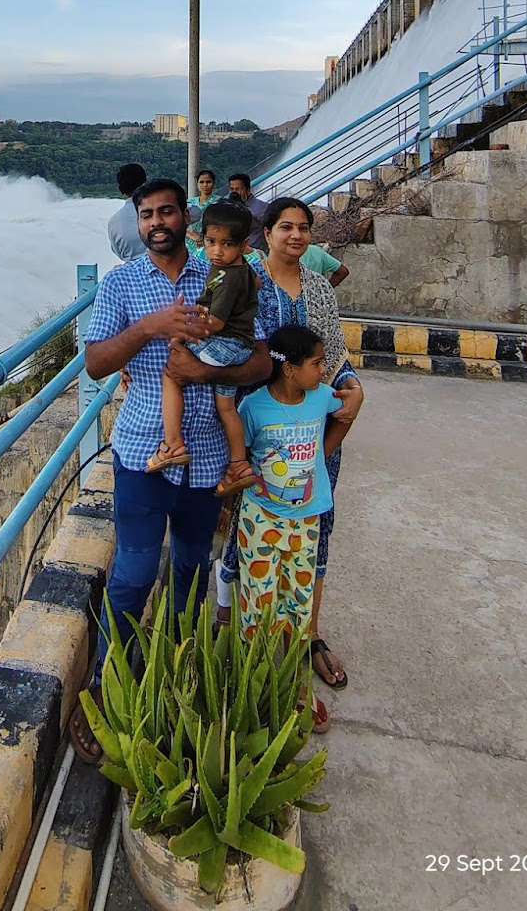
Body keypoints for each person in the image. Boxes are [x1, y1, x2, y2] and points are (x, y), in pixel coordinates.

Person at [68, 178, 271, 763]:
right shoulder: (122, 284)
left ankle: (177, 674)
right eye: (147, 214)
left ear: (188, 215)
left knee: (190, 568)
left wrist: (208, 374)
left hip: (207, 454)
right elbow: (95, 363)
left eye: (167, 212)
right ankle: (107, 683)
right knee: (131, 573)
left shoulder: (225, 273)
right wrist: (148, 329)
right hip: (140, 450)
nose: (157, 222)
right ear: (139, 222)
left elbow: (260, 358)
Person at [241, 196, 364, 692]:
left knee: (314, 529)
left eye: (304, 228)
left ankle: (307, 634)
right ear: (266, 233)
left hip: (311, 430)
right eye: (286, 227)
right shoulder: (244, 280)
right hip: (263, 428)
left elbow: (333, 353)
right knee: (252, 534)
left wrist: (353, 386)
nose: (296, 235)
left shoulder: (318, 287)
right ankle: (245, 631)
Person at [236, 324, 354, 642]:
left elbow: (348, 410)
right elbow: (241, 453)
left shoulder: (322, 398)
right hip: (260, 520)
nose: (323, 369)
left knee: (299, 603)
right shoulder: (254, 407)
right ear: (289, 368)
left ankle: (293, 687)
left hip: (306, 520)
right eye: (315, 363)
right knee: (258, 603)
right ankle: (256, 683)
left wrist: (322, 453)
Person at [145, 202, 258, 498]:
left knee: (171, 372)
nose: (217, 251)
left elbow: (217, 323)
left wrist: (185, 331)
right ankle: (238, 466)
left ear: (244, 245)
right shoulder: (236, 269)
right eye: (211, 242)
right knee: (226, 407)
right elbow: (252, 286)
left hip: (226, 345)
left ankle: (172, 444)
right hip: (238, 344)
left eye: (227, 244)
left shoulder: (228, 276)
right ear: (201, 238)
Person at [107, 163, 148, 262]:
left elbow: (118, 252)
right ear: (145, 184)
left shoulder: (114, 222)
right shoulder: (164, 212)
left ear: (121, 189)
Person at [227, 172, 269, 252]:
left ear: (248, 190)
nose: (234, 192)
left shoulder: (260, 208)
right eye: (232, 189)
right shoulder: (229, 207)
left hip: (256, 255)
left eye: (238, 189)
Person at [185, 167, 218, 251]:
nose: (205, 185)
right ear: (197, 184)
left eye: (208, 182)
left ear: (214, 184)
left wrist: (201, 238)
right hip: (188, 241)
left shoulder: (219, 202)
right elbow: (181, 221)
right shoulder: (190, 202)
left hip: (208, 242)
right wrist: (194, 236)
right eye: (201, 182)